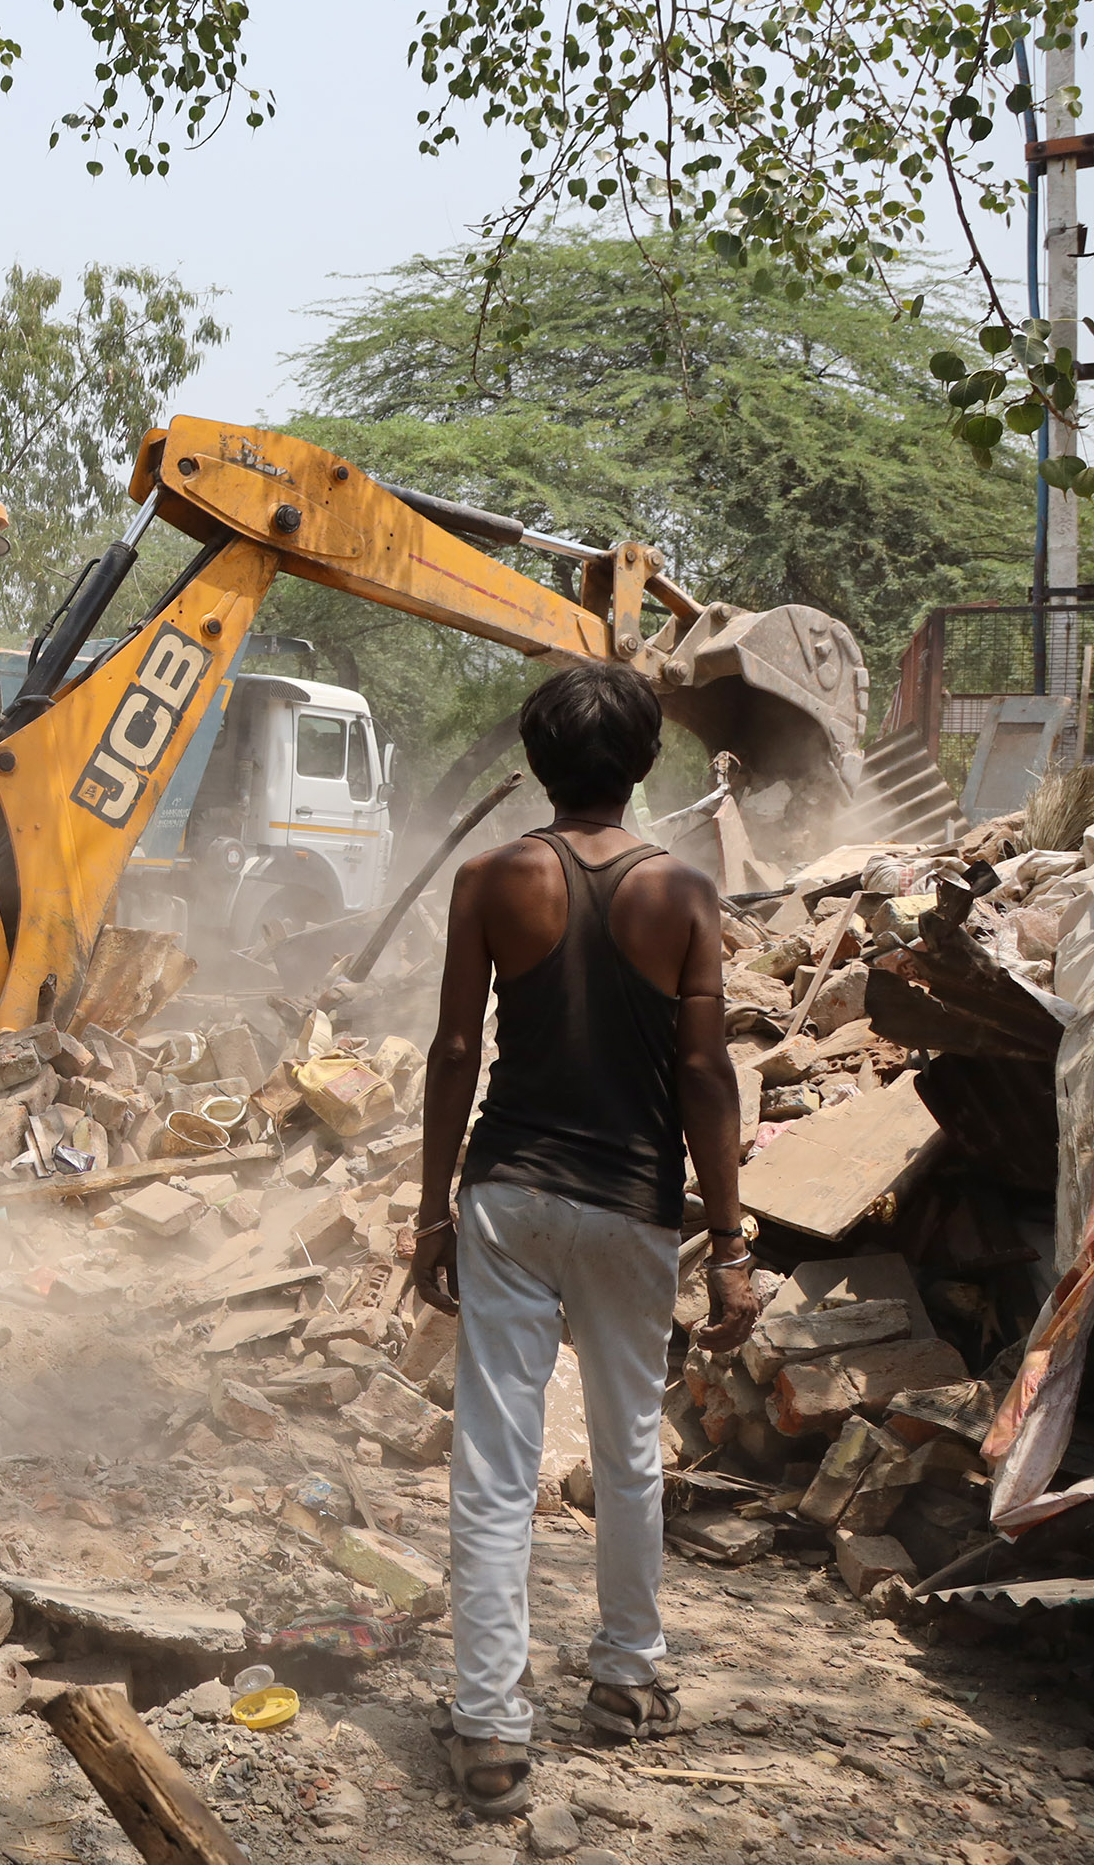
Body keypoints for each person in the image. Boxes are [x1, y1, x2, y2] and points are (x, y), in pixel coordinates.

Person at [411, 661, 760, 1820]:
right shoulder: (688, 894)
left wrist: (429, 1209)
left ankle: (492, 1727)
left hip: (507, 1193)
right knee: (626, 1454)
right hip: (632, 1202)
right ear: (644, 762)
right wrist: (730, 1241)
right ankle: (624, 1677)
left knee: (496, 1468)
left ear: (539, 757)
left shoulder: (491, 877)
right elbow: (706, 1073)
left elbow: (455, 1051)